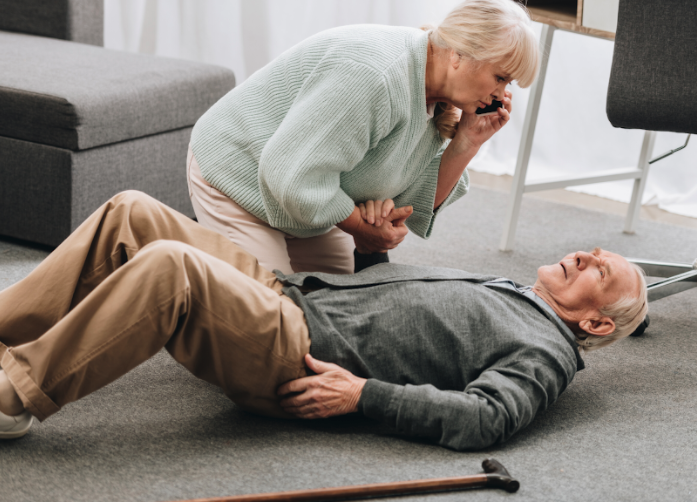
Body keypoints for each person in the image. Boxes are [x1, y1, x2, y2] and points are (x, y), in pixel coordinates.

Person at [0, 192, 647, 451]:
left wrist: (363, 394)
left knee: (172, 268)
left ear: (593, 325)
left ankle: (15, 395)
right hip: (292, 294)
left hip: (298, 348)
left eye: (601, 270)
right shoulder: (515, 291)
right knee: (132, 212)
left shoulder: (547, 353)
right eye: (594, 251)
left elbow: (487, 419)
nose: (587, 254)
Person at [186, 0, 539, 275]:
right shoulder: (375, 77)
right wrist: (358, 226)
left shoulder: (436, 95)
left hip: (303, 204)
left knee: (351, 312)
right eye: (500, 78)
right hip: (238, 179)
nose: (500, 95)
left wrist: (468, 142)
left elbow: (411, 203)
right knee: (273, 329)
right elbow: (289, 175)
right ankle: (174, 251)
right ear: (459, 54)